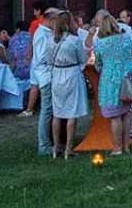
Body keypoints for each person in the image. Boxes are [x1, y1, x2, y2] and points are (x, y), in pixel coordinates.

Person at [43, 11, 88, 158]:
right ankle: (69, 147)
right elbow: (83, 60)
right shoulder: (74, 41)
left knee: (57, 112)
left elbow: (48, 62)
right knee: (71, 113)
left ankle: (56, 146)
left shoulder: (50, 41)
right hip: (71, 74)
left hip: (57, 75)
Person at [93, 13, 132, 156]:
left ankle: (117, 148)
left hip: (110, 80)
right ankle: (126, 145)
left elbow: (98, 63)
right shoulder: (125, 38)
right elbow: (130, 55)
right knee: (126, 112)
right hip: (126, 78)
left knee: (115, 116)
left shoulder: (101, 43)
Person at [28, 8, 58, 155]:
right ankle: (43, 145)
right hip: (45, 76)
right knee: (46, 110)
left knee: (50, 110)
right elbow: (40, 58)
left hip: (49, 75)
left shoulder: (47, 33)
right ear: (51, 20)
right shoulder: (41, 34)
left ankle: (51, 140)